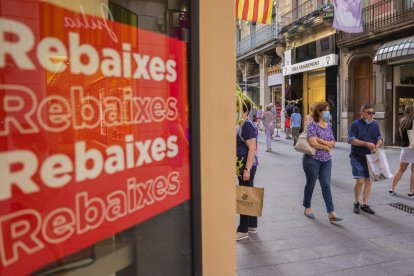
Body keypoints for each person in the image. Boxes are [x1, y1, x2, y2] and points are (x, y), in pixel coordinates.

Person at [303, 101, 342, 222]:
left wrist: (322, 142)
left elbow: (333, 143)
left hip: (326, 160)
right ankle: (307, 207)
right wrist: (326, 146)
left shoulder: (328, 125)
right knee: (311, 183)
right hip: (312, 159)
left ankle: (331, 212)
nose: (328, 112)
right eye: (327, 110)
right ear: (319, 112)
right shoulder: (312, 125)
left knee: (326, 184)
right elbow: (312, 142)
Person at [348, 104, 383, 214]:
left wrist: (377, 145)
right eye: (369, 113)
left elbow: (380, 138)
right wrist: (365, 144)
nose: (371, 115)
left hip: (370, 158)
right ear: (362, 113)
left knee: (368, 181)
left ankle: (364, 204)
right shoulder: (355, 124)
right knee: (360, 180)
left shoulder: (375, 124)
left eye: (373, 113)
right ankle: (356, 202)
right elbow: (351, 140)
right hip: (357, 156)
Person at [236, 100, 259, 240]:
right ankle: (252, 225)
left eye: (237, 109)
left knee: (244, 195)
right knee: (248, 193)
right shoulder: (240, 124)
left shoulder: (246, 125)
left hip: (247, 164)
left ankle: (243, 229)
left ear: (245, 111)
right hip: (242, 164)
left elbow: (252, 148)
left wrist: (247, 169)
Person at [389, 104, 414, 198]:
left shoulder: (402, 121)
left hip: (405, 148)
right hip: (413, 147)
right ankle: (411, 192)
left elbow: (401, 135)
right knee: (413, 171)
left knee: (401, 169)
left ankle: (392, 188)